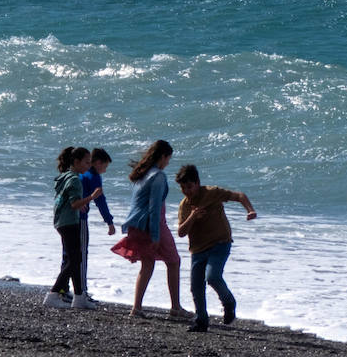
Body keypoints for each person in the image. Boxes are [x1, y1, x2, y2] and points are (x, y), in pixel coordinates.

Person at [111, 139, 189, 319]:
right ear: (163, 157)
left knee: (147, 264)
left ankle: (136, 308)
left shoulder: (142, 173)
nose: (168, 163)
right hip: (152, 224)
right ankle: (175, 308)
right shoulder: (158, 176)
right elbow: (154, 208)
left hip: (135, 224)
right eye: (168, 159)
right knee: (174, 261)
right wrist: (155, 235)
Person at [174, 164, 256, 332]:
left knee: (212, 277)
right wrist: (193, 216)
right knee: (196, 287)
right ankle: (201, 321)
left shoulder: (212, 192)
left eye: (189, 187)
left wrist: (250, 210)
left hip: (220, 243)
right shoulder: (185, 205)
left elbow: (239, 196)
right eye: (183, 188)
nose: (186, 191)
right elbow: (181, 232)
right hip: (197, 249)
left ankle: (229, 302)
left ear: (197, 183)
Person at [44, 146, 103, 310]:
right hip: (68, 222)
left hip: (62, 221)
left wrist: (80, 204)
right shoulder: (75, 179)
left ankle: (79, 297)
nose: (88, 166)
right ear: (76, 162)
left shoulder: (65, 176)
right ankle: (53, 294)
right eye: (86, 162)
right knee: (75, 260)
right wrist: (90, 198)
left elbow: (65, 200)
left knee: (75, 259)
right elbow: (74, 203)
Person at [77, 147, 117, 298]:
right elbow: (100, 201)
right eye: (105, 166)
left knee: (70, 255)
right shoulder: (93, 176)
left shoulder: (82, 174)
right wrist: (109, 222)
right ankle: (81, 291)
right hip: (79, 219)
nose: (104, 171)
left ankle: (64, 290)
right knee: (81, 254)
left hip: (68, 218)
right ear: (98, 163)